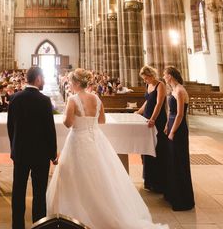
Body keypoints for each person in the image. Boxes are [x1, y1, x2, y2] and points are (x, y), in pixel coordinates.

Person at [46, 68, 168, 229]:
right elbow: (102, 120)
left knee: (75, 175)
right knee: (100, 174)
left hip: (78, 139)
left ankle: (75, 214)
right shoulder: (96, 98)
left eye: (70, 82)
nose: (69, 84)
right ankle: (104, 211)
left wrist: (69, 117)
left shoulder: (73, 99)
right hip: (95, 139)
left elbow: (68, 123)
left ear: (76, 83)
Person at [7, 66, 57, 229]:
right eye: (42, 78)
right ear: (37, 79)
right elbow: (50, 130)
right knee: (39, 193)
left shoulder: (14, 98)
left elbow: (10, 127)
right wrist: (52, 153)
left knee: (18, 191)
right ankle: (39, 225)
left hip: (20, 152)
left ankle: (17, 226)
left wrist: (14, 147)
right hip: (40, 155)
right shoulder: (44, 101)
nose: (43, 81)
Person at [162, 66, 195, 211]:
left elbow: (180, 114)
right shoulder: (173, 90)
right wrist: (166, 126)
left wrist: (172, 131)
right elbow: (171, 111)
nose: (163, 77)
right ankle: (172, 193)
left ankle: (182, 198)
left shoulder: (180, 91)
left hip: (179, 129)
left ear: (170, 76)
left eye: (165, 75)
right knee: (172, 161)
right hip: (172, 125)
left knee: (179, 161)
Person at [136, 65, 168, 193]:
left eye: (146, 78)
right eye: (144, 79)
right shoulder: (148, 85)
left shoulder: (160, 85)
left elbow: (159, 103)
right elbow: (148, 102)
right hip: (146, 119)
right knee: (146, 148)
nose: (145, 81)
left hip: (157, 120)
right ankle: (149, 181)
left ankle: (159, 182)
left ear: (151, 75)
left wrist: (153, 119)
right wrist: (138, 112)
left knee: (157, 148)